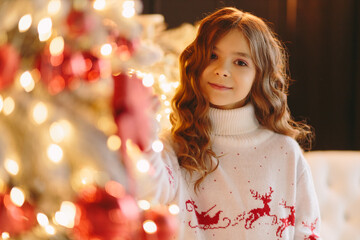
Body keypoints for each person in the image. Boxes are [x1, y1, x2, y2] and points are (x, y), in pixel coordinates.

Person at [135, 7, 322, 240]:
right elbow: (148, 191)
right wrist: (144, 128)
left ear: (259, 76)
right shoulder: (174, 148)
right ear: (196, 63)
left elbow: (307, 232)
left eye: (240, 62)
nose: (222, 70)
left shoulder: (285, 152)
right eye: (213, 56)